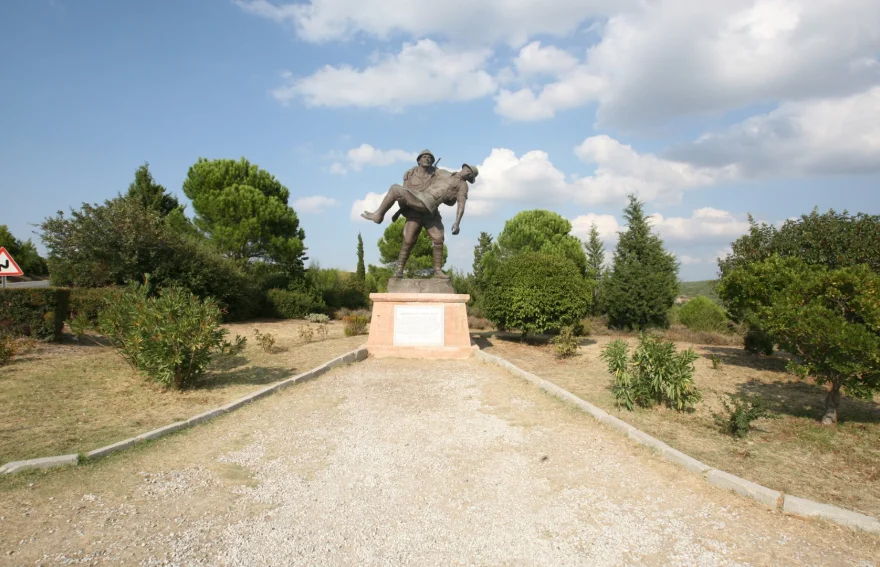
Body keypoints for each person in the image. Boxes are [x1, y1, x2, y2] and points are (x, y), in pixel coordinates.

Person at [361, 163, 479, 279]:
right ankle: (399, 271)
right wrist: (411, 172)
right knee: (408, 240)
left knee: (438, 238)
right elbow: (426, 169)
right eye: (468, 170)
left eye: (470, 174)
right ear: (464, 167)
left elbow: (461, 205)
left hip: (428, 205)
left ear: (470, 178)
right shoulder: (443, 172)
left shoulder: (463, 186)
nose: (468, 173)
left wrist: (457, 222)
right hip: (419, 202)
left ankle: (437, 271)